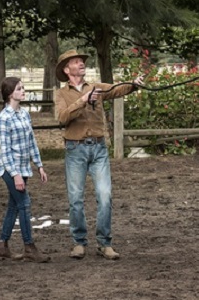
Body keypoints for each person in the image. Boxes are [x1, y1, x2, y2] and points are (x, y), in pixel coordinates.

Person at [54, 49, 144, 260]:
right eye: (76, 62)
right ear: (67, 70)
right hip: (75, 150)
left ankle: (105, 243)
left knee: (105, 196)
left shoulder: (96, 87)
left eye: (82, 61)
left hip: (99, 149)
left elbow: (115, 89)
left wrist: (133, 84)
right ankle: (79, 242)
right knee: (75, 199)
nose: (81, 64)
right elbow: (62, 118)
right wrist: (83, 100)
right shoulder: (61, 94)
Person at [0, 76, 50, 263]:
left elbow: (31, 141)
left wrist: (39, 165)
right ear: (10, 94)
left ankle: (2, 246)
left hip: (24, 168)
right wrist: (15, 175)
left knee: (14, 206)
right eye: (19, 89)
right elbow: (5, 150)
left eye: (23, 88)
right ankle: (29, 247)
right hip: (9, 169)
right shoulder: (4, 118)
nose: (23, 91)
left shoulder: (24, 114)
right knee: (24, 203)